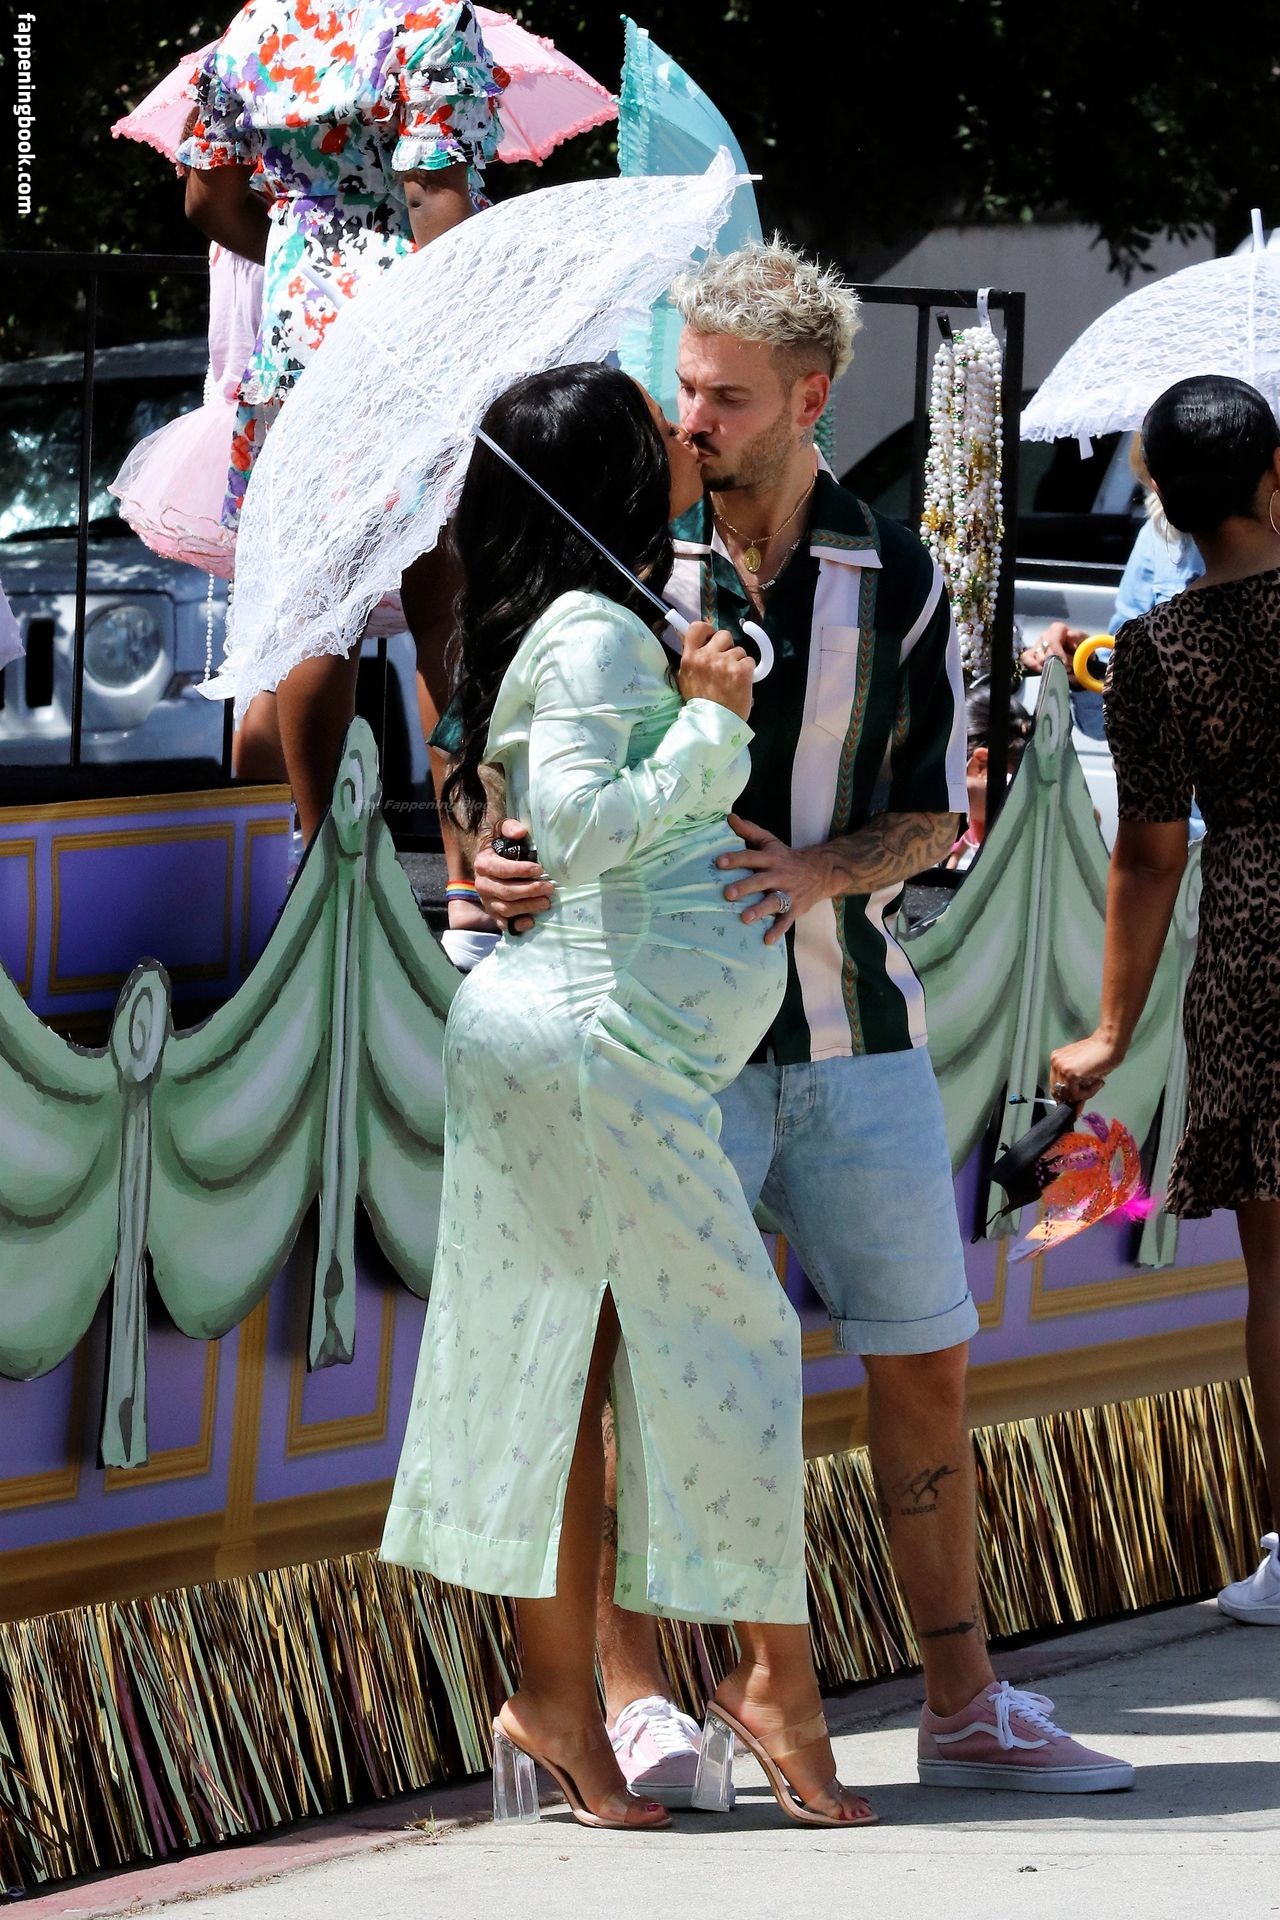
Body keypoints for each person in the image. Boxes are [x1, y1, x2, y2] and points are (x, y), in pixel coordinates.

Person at [476, 240, 1135, 1801]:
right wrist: (487, 847)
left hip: (855, 1034)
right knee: (645, 1367)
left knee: (924, 1358)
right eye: (686, 390)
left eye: (726, 397)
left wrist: (825, 868)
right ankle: (640, 1697)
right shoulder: (624, 569)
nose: (691, 420)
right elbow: (496, 763)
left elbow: (939, 816)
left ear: (810, 398)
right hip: (657, 1046)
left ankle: (962, 1698)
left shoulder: (897, 572)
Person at [381, 362, 875, 1832]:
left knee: (555, 1363)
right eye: (658, 420)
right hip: (601, 1046)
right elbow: (587, 829)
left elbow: (532, 813)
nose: (685, 431)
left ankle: (558, 1705)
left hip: (579, 1038)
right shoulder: (596, 631)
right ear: (605, 467)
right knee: (730, 1342)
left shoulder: (582, 616)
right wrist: (714, 726)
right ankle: (770, 1680)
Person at [179, 0, 503, 956]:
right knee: (445, 605)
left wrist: (306, 246)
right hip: (415, 338)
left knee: (318, 612)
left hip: (297, 346)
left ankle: (320, 873)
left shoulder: (253, 27)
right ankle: (471, 887)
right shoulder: (431, 21)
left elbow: (205, 200)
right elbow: (436, 198)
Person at [1051, 373, 1280, 1630]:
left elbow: (1145, 856)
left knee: (1275, 1263)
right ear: (1272, 475)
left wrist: (1109, 1029)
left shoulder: (1155, 648)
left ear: (1160, 499)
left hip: (1251, 933)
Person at [946, 683, 1033, 870]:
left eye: (945, 764)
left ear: (982, 765)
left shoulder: (1010, 799)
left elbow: (962, 791)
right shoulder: (1024, 791)